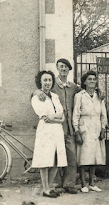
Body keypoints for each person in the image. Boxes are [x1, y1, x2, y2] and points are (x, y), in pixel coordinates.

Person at [33, 58, 79, 194]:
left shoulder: (73, 87)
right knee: (52, 157)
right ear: (57, 69)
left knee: (70, 157)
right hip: (52, 129)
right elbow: (37, 92)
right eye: (61, 67)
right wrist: (36, 92)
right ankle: (55, 184)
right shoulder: (51, 86)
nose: (64, 69)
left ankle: (69, 184)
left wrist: (99, 91)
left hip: (68, 127)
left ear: (69, 70)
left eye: (66, 67)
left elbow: (85, 91)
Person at [31, 70, 67, 198]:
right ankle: (46, 189)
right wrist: (56, 117)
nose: (47, 82)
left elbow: (62, 115)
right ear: (40, 81)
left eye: (50, 80)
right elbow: (44, 117)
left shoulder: (55, 96)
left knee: (57, 160)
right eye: (45, 80)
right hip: (45, 131)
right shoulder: (37, 98)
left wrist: (55, 117)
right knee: (44, 161)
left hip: (57, 131)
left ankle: (49, 187)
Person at [73, 71, 108, 193]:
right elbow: (75, 115)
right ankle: (83, 184)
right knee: (83, 157)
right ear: (84, 82)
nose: (92, 81)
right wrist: (77, 131)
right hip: (84, 127)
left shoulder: (99, 96)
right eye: (90, 79)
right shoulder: (80, 96)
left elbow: (103, 114)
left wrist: (103, 128)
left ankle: (92, 183)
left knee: (94, 156)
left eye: (94, 79)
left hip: (96, 127)